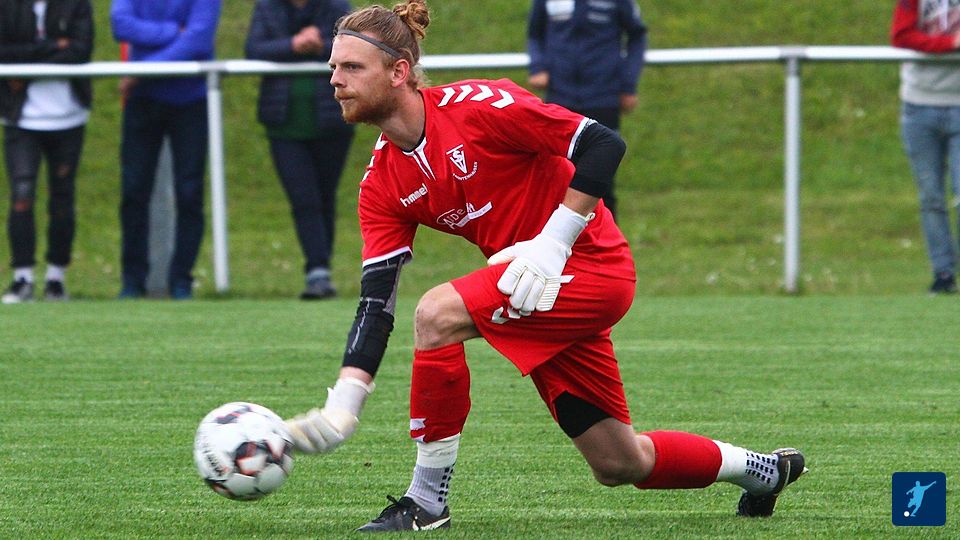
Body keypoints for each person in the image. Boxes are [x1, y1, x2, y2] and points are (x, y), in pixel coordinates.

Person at [284, 0, 807, 532]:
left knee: (436, 314)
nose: (336, 80)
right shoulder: (380, 183)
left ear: (399, 72)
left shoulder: (480, 107)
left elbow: (603, 144)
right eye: (333, 67)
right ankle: (764, 471)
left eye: (352, 67)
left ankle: (426, 502)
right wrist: (342, 408)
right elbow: (376, 303)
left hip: (591, 268)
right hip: (531, 288)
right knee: (619, 462)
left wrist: (553, 244)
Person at [109, 0, 222, 300]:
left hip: (190, 100)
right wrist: (173, 31)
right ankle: (132, 281)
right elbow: (120, 25)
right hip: (142, 100)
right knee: (133, 191)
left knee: (189, 193)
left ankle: (181, 280)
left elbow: (198, 39)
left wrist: (142, 70)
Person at [245, 0, 355, 300]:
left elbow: (357, 49)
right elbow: (253, 48)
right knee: (304, 198)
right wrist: (294, 44)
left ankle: (321, 269)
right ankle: (317, 269)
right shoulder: (268, 6)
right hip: (283, 123)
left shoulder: (336, 6)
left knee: (324, 196)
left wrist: (318, 44)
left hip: (332, 119)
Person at [0, 0, 93, 303]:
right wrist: (53, 47)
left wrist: (28, 56)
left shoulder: (76, 4)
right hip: (21, 118)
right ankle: (22, 277)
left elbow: (80, 50)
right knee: (21, 195)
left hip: (68, 118)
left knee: (62, 199)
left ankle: (56, 278)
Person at [526, 0, 646, 220]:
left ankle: (608, 238)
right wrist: (538, 66)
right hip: (560, 98)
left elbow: (637, 35)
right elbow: (535, 33)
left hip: (602, 97)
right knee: (558, 176)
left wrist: (628, 85)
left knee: (602, 179)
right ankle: (560, 238)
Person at [892, 0, 960, 294]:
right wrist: (949, 44)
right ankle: (943, 273)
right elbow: (901, 35)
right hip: (919, 105)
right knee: (931, 196)